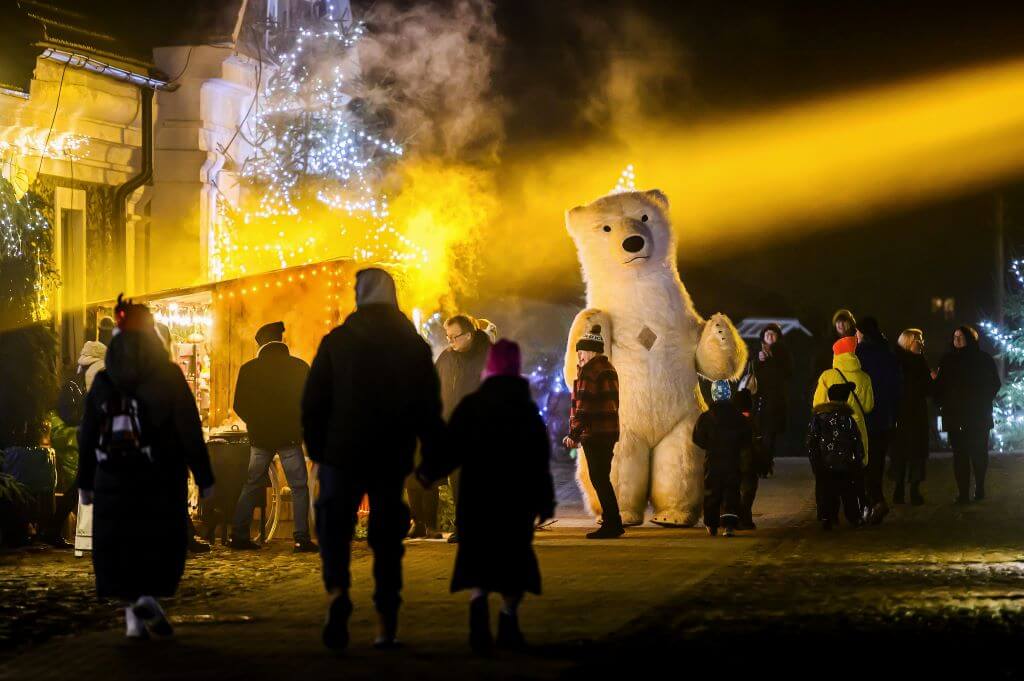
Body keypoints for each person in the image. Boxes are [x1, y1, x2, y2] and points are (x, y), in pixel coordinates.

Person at [302, 268, 445, 651]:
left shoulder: (337, 342)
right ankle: (386, 626)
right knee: (386, 539)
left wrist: (319, 451)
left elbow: (313, 402)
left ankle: (337, 595)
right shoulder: (412, 346)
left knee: (335, 529)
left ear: (359, 296)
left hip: (341, 451)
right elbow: (428, 406)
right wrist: (431, 457)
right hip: (390, 452)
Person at [77, 295, 215, 639]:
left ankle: (133, 618)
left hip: (113, 477)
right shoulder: (168, 376)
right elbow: (188, 428)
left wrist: (86, 482)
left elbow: (89, 432)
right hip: (159, 476)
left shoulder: (106, 381)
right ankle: (146, 602)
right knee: (154, 543)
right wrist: (204, 476)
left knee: (121, 545)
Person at [417, 340, 556, 653]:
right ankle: (508, 620)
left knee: (479, 559)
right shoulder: (526, 410)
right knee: (513, 562)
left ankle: (478, 615)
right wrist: (544, 500)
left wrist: (428, 472)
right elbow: (538, 458)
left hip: (477, 496)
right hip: (514, 502)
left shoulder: (472, 406)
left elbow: (451, 445)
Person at [229, 321, 317, 553]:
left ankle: (238, 535)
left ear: (262, 344)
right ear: (281, 341)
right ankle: (301, 538)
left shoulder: (249, 369)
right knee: (299, 487)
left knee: (251, 484)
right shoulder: (299, 367)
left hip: (261, 438)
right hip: (290, 437)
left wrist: (257, 423)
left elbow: (239, 404)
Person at [434, 314, 493, 543]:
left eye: (455, 337)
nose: (451, 342)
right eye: (448, 337)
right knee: (457, 481)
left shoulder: (489, 356)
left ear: (469, 334)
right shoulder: (446, 358)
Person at [562, 325, 624, 539]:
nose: (579, 355)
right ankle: (613, 521)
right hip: (608, 432)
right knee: (601, 477)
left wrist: (573, 434)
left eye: (582, 351)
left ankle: (612, 523)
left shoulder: (589, 372)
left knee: (598, 478)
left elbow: (583, 406)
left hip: (594, 432)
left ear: (593, 351)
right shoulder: (609, 368)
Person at [933, 326, 1000, 503]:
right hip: (956, 415)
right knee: (960, 455)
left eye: (961, 336)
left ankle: (979, 487)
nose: (957, 340)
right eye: (955, 336)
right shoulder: (947, 360)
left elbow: (994, 383)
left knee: (979, 454)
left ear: (970, 338)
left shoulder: (983, 359)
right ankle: (963, 493)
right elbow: (940, 387)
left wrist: (983, 400)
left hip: (978, 414)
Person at [813, 335, 874, 519]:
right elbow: (869, 406)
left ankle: (827, 515)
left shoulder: (827, 376)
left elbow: (817, 404)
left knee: (828, 478)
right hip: (855, 429)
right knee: (854, 476)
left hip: (830, 432)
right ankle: (855, 514)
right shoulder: (864, 377)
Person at [855, 317, 901, 524]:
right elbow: (896, 386)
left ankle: (872, 503)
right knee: (877, 462)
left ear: (862, 333)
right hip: (883, 418)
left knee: (863, 464)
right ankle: (876, 501)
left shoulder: (859, 355)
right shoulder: (888, 352)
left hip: (864, 416)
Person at [693, 380, 751, 537]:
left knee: (712, 491)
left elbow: (697, 438)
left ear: (713, 395)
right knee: (731, 491)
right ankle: (729, 526)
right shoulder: (738, 417)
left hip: (712, 461)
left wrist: (710, 446)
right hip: (733, 460)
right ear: (729, 394)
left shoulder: (705, 418)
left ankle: (712, 525)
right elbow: (747, 438)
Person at [807, 382, 866, 530]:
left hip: (824, 463)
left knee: (826, 491)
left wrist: (815, 461)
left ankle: (827, 517)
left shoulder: (819, 418)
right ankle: (854, 518)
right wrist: (858, 459)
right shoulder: (848, 419)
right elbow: (855, 440)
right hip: (845, 463)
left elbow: (811, 440)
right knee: (848, 492)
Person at [891, 329, 932, 505]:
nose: (922, 343)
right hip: (906, 413)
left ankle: (909, 489)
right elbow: (921, 387)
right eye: (918, 339)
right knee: (906, 452)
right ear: (909, 341)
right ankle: (904, 489)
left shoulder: (912, 360)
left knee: (911, 452)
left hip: (909, 413)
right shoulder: (904, 362)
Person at [752, 323, 792, 479]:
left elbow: (788, 373)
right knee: (757, 433)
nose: (770, 336)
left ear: (778, 337)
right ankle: (760, 463)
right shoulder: (757, 351)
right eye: (767, 334)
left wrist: (773, 359)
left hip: (775, 401)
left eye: (773, 334)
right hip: (758, 399)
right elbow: (751, 371)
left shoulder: (783, 353)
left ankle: (765, 465)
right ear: (763, 336)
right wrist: (758, 360)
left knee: (770, 435)